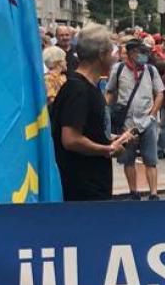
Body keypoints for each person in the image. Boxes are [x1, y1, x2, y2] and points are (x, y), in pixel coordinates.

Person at [52, 25, 130, 201]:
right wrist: (107, 149)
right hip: (82, 189)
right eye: (112, 52)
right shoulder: (78, 90)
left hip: (94, 184)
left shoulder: (87, 87)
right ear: (101, 55)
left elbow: (89, 130)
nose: (114, 58)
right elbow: (71, 139)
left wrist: (113, 138)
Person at [109, 37, 164, 200]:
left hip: (147, 122)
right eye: (141, 52)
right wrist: (105, 111)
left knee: (151, 159)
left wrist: (153, 115)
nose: (144, 56)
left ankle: (154, 193)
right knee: (128, 159)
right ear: (132, 53)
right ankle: (133, 191)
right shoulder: (118, 70)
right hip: (126, 123)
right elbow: (111, 91)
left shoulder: (151, 70)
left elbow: (160, 93)